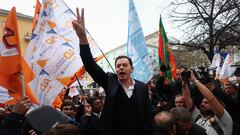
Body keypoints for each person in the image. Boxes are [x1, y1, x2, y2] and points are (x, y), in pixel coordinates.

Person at [72, 8, 151, 135]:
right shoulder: (110, 82)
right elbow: (90, 65)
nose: (121, 68)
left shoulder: (142, 87)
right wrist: (82, 37)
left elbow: (147, 114)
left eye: (124, 65)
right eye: (118, 66)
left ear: (132, 69)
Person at [182, 71, 233, 135]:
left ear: (221, 105)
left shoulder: (223, 118)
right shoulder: (198, 117)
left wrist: (195, 80)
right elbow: (186, 97)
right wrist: (184, 81)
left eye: (206, 103)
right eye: (202, 102)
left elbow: (211, 99)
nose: (202, 104)